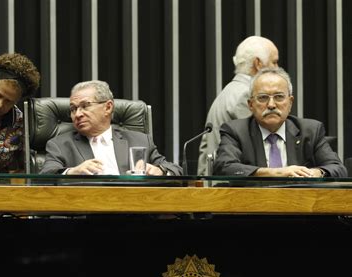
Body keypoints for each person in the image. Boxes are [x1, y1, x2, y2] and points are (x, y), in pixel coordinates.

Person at [213, 67, 347, 177]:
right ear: (251, 105)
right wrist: (276, 172)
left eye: (279, 97)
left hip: (300, 206)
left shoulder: (311, 130)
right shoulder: (236, 131)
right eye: (263, 98)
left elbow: (338, 168)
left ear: (290, 102)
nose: (271, 105)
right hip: (252, 205)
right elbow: (224, 167)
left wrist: (316, 172)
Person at [40, 80, 182, 176]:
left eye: (85, 106)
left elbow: (176, 170)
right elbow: (44, 176)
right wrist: (72, 172)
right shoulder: (60, 145)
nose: (77, 114)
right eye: (73, 109)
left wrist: (159, 170)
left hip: (134, 213)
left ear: (108, 107)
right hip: (85, 213)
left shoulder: (140, 140)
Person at [197, 36, 279, 175]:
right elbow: (257, 149)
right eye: (274, 62)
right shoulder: (246, 95)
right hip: (232, 185)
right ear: (258, 63)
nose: (278, 68)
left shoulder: (230, 90)